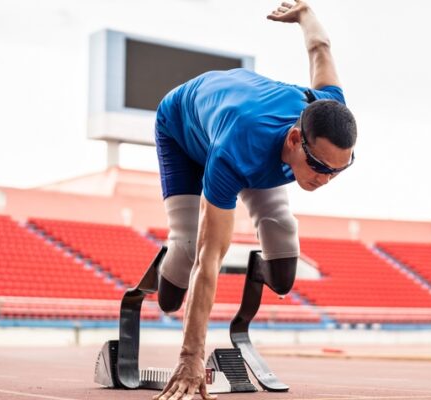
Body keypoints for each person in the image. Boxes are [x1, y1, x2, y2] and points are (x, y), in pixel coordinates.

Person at [153, 1, 357, 399]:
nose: (326, 179)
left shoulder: (328, 110)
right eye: (319, 166)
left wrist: (304, 12)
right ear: (296, 139)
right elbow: (209, 258)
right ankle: (162, 270)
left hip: (252, 133)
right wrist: (191, 356)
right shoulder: (237, 149)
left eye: (338, 170)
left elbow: (321, 50)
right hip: (182, 127)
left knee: (283, 259)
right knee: (188, 250)